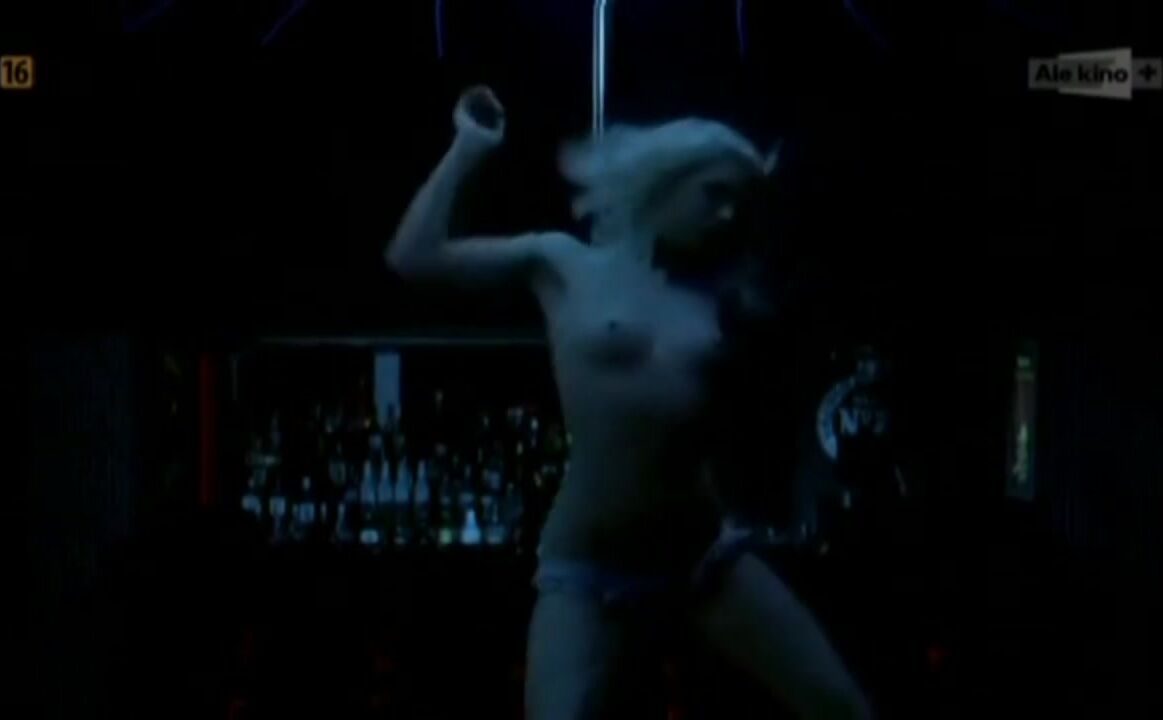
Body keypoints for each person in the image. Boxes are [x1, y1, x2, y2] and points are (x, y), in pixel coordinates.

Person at [387, 86, 871, 720]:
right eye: (714, 193)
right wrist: (468, 148)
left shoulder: (731, 299)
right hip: (586, 572)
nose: (726, 214)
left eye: (740, 203)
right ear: (670, 182)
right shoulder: (565, 264)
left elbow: (773, 414)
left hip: (704, 561)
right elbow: (414, 257)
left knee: (844, 709)